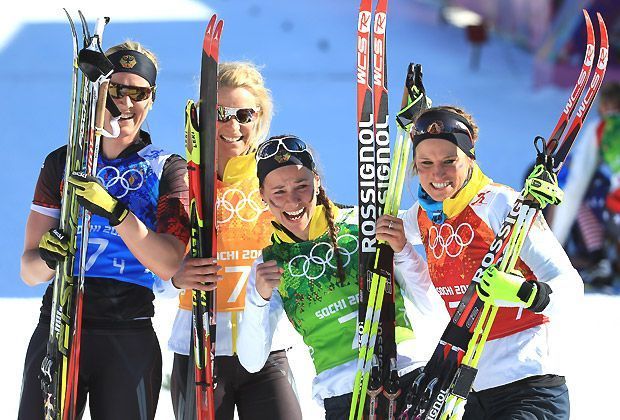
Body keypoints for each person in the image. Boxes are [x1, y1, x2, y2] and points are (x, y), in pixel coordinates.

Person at [18, 41, 188, 419]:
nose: (125, 103)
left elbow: (170, 264)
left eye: (138, 92)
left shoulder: (167, 168)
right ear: (96, 91)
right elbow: (29, 271)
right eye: (115, 89)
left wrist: (115, 211)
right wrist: (48, 257)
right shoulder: (64, 162)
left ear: (152, 99)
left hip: (128, 332)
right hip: (60, 326)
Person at [392, 105, 583, 419]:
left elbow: (571, 287)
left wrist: (524, 292)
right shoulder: (424, 217)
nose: (436, 174)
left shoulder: (500, 204)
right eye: (425, 163)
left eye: (449, 161)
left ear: (470, 158)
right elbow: (375, 227)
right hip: (469, 393)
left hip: (529, 386)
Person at [237, 135, 446, 420]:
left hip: (405, 378)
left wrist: (404, 251)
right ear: (262, 195)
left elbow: (434, 307)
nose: (293, 200)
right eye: (279, 192)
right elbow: (251, 361)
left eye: (302, 186)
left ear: (317, 182)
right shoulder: (268, 264)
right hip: (343, 400)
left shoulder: (365, 224)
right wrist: (258, 299)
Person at [167, 62, 302, 420]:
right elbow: (157, 266)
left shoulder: (277, 176)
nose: (232, 126)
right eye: (221, 114)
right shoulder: (184, 180)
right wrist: (177, 276)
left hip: (266, 347)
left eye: (243, 114)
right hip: (200, 346)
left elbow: (317, 229)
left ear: (259, 117)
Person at [550, 82, 620, 288]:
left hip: (615, 209)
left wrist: (554, 243)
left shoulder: (601, 129)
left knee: (580, 197)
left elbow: (575, 185)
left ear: (605, 106)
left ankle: (599, 259)